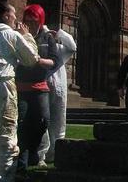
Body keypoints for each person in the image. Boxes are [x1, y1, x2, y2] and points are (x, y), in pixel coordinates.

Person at [0, 2, 39, 182]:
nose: (16, 19)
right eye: (13, 15)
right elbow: (32, 59)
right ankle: (4, 179)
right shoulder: (10, 34)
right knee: (7, 141)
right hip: (2, 87)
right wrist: (27, 36)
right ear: (5, 16)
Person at [15, 4, 62, 172]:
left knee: (43, 121)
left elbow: (55, 61)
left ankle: (33, 150)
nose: (31, 24)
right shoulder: (18, 36)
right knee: (22, 125)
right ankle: (21, 165)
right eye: (28, 21)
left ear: (41, 21)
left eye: (34, 21)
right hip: (21, 87)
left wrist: (39, 61)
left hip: (40, 86)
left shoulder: (47, 37)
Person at [37, 26, 76, 164]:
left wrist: (60, 33)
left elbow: (72, 47)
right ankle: (41, 155)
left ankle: (56, 153)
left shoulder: (60, 50)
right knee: (44, 121)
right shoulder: (39, 48)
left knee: (59, 122)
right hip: (44, 88)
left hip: (59, 90)